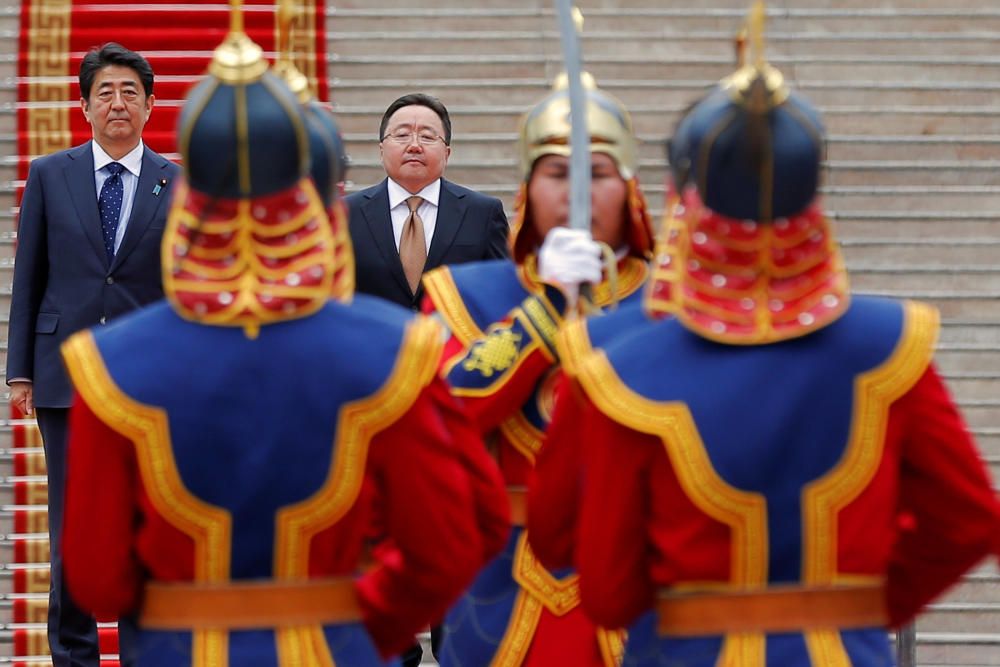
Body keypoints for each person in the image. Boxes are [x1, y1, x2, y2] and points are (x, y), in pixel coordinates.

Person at [529, 16, 1000, 665]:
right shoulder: (889, 347)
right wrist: (863, 607)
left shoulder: (619, 362)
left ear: (681, 198)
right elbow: (969, 518)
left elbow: (600, 585)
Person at [57, 17, 509, 666]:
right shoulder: (394, 350)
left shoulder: (106, 362)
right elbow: (451, 542)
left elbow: (98, 577)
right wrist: (362, 628)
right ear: (308, 183)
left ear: (189, 186)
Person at [420, 72, 655, 667]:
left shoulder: (670, 301)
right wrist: (546, 306)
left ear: (629, 190)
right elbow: (446, 414)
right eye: (557, 174)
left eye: (596, 174)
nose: (576, 192)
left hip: (640, 573)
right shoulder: (461, 293)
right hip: (502, 581)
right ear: (527, 187)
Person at [5, 41, 179, 666]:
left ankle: (143, 653)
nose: (117, 103)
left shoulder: (176, 182)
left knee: (145, 523)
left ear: (151, 104)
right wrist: (19, 370)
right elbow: (30, 275)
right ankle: (72, 655)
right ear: (84, 106)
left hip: (149, 381)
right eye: (104, 91)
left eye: (130, 91)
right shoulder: (52, 175)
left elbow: (184, 288)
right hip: (64, 375)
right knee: (72, 526)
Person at [346, 93, 510, 310]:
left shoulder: (483, 213)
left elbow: (502, 290)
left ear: (447, 153)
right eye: (402, 135)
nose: (414, 146)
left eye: (427, 136)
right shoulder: (346, 213)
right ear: (381, 149)